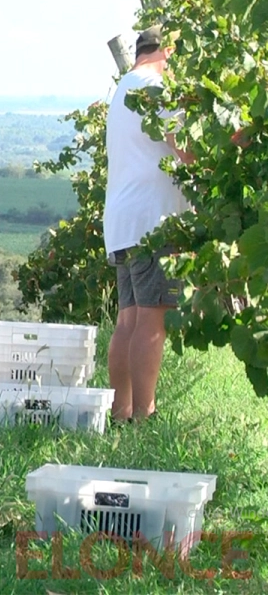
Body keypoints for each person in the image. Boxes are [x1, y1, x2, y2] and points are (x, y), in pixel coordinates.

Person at [103, 25, 194, 426]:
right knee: (152, 319)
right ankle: (144, 416)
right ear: (168, 50)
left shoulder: (123, 89)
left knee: (128, 319)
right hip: (153, 221)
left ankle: (121, 413)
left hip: (122, 221)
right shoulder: (157, 87)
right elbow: (187, 150)